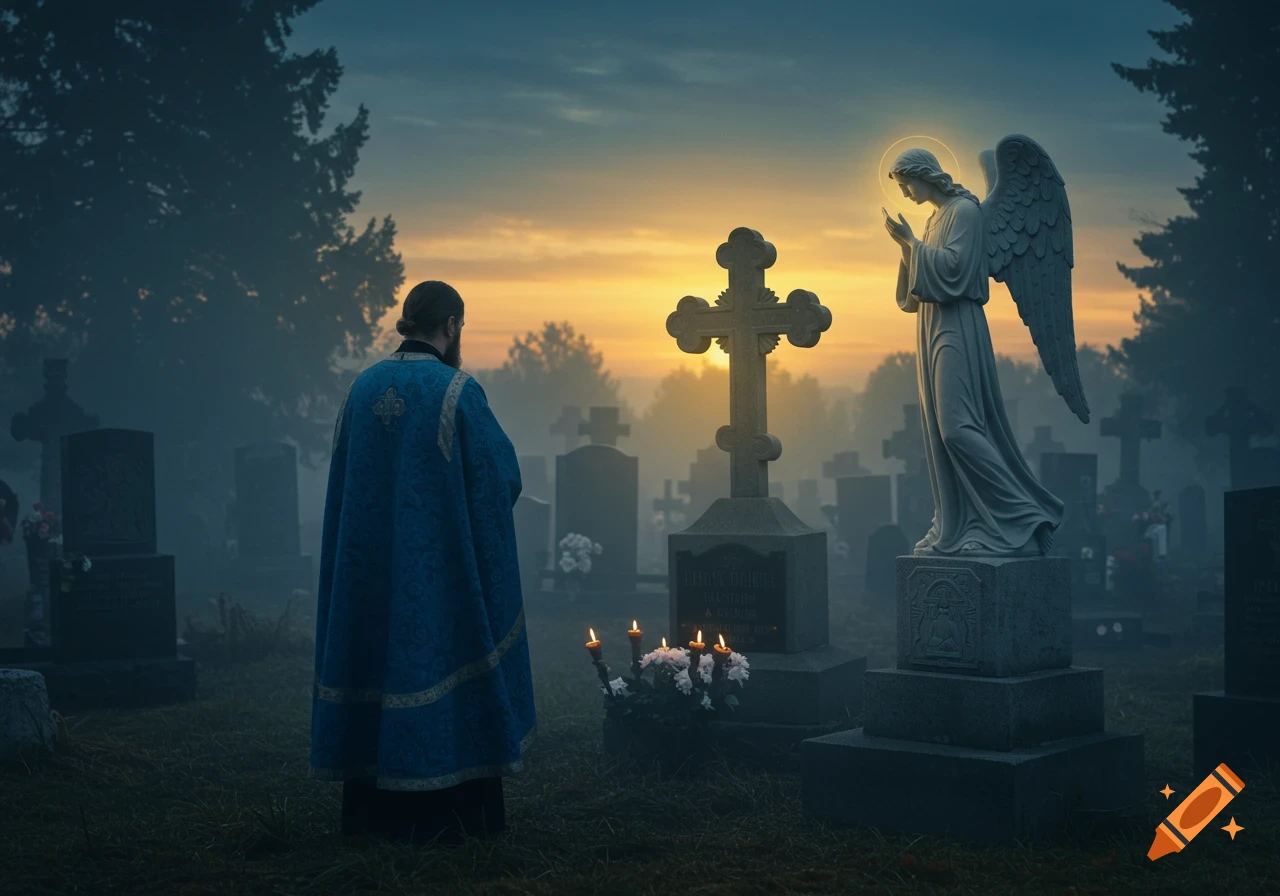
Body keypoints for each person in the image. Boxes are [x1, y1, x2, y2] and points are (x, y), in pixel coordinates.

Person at [310, 280, 536, 844]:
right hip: (439, 585)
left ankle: (371, 819)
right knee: (440, 660)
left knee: (374, 667)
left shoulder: (360, 390)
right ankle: (451, 818)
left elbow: (343, 489)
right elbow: (500, 479)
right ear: (452, 325)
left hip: (367, 582)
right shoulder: (457, 391)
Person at [882, 148, 1063, 556]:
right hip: (930, 322)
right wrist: (908, 246)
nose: (906, 192)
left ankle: (1024, 516)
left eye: (907, 182)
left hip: (957, 324)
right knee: (939, 434)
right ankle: (956, 525)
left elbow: (958, 270)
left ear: (925, 174)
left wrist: (911, 242)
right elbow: (918, 286)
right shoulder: (934, 218)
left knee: (958, 429)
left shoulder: (965, 212)